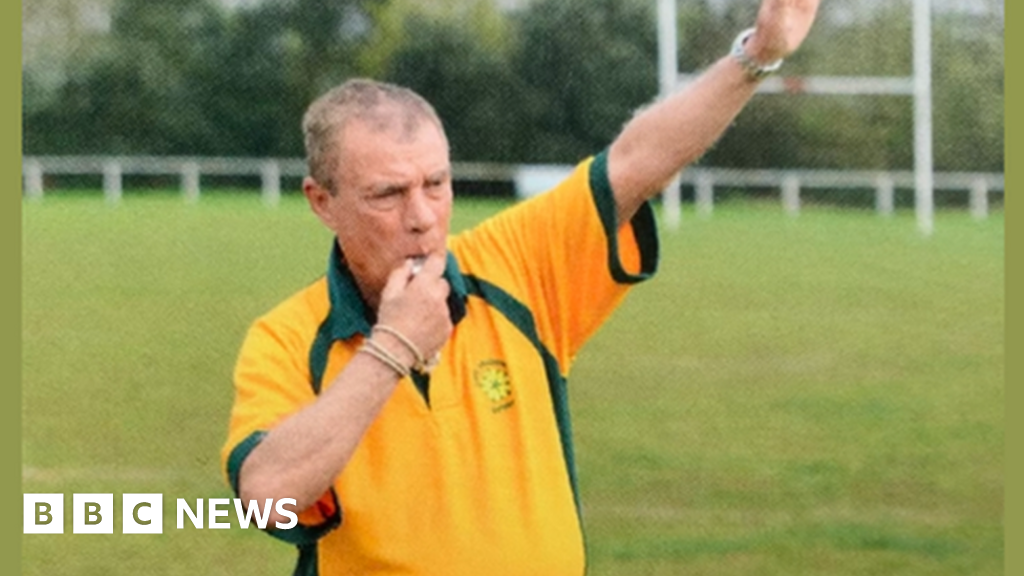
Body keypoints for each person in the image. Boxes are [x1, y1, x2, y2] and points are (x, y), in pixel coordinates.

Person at [221, 1, 820, 574]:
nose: (423, 215)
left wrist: (756, 55)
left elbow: (637, 160)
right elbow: (266, 493)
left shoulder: (513, 268)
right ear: (322, 202)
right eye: (388, 193)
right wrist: (391, 348)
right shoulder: (289, 338)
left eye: (436, 183)